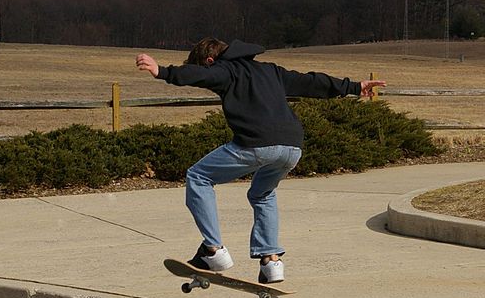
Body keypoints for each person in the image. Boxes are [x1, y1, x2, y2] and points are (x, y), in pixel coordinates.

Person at [135, 38, 386, 283]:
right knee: (262, 194)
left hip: (257, 144)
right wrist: (353, 87)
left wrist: (163, 72)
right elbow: (309, 82)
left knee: (199, 176)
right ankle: (271, 261)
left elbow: (205, 76)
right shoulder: (270, 71)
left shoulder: (224, 70)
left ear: (210, 60)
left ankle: (213, 251)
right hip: (292, 147)